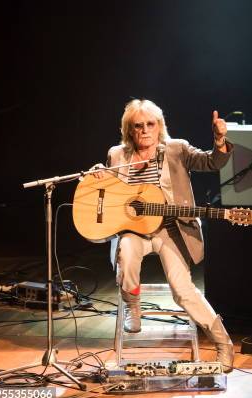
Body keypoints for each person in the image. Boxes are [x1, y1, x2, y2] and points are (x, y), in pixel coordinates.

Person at [96, 99, 234, 372]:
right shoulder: (117, 155)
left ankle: (223, 343)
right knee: (126, 251)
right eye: (138, 126)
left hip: (172, 230)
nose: (145, 130)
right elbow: (107, 194)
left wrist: (220, 141)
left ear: (160, 126)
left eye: (151, 124)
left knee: (182, 289)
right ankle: (132, 306)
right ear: (129, 130)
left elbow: (212, 162)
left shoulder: (176, 149)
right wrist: (97, 177)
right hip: (134, 230)